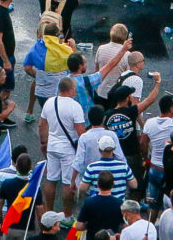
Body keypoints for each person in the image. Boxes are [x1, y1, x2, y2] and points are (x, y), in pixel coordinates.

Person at [40, 76, 88, 218]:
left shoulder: (50, 102)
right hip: (68, 150)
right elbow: (80, 131)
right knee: (68, 183)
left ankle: (49, 212)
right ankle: (67, 215)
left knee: (51, 179)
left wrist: (44, 143)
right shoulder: (75, 106)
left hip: (52, 146)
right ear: (70, 89)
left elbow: (42, 124)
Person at [74, 171, 124, 240]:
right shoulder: (119, 203)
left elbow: (78, 226)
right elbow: (125, 225)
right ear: (113, 184)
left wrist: (88, 225)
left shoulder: (88, 202)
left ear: (98, 184)